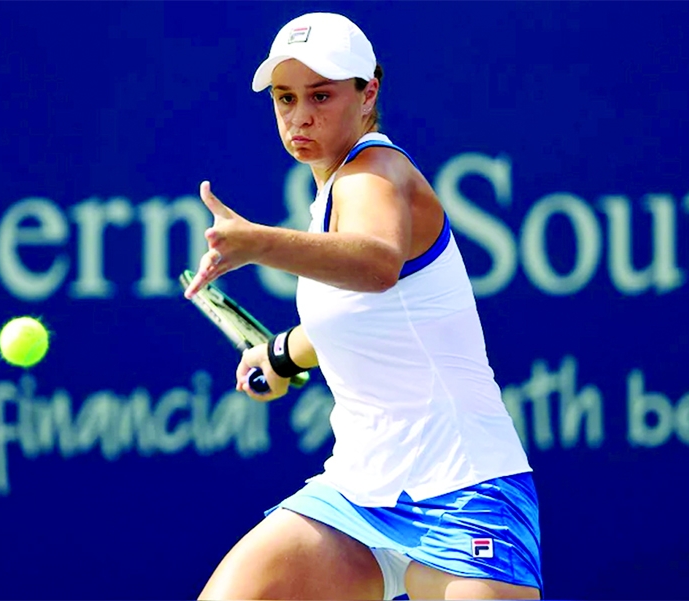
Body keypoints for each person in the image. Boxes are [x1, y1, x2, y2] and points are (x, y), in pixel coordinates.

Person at [183, 12, 542, 601]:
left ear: (367, 92)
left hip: (464, 489)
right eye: (285, 98)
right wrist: (280, 356)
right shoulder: (330, 192)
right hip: (355, 496)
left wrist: (256, 242)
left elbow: (376, 265)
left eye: (321, 96)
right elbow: (356, 319)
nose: (300, 116)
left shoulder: (377, 172)